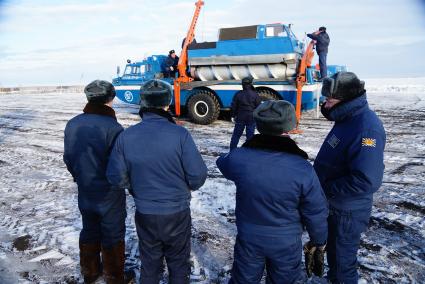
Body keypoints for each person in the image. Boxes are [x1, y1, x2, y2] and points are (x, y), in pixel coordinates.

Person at [106, 79, 208, 283]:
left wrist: (135, 188)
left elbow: (115, 175)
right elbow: (197, 176)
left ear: (143, 103)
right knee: (178, 264)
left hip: (146, 212)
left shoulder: (127, 136)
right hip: (177, 212)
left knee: (150, 264)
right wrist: (184, 188)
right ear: (167, 103)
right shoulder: (180, 134)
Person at [217, 100, 329, 283]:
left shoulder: (239, 158)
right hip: (286, 242)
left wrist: (246, 149)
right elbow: (315, 210)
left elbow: (222, 162)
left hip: (249, 238)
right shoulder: (303, 168)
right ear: (290, 127)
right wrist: (319, 240)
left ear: (259, 125)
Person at [314, 71, 386, 284]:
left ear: (346, 100)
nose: (325, 105)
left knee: (343, 261)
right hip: (335, 204)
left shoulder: (366, 128)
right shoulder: (347, 118)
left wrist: (326, 187)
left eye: (330, 100)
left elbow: (367, 180)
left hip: (346, 211)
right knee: (335, 257)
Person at [63, 80, 126, 283]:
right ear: (111, 98)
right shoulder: (114, 127)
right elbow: (119, 165)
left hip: (85, 188)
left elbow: (69, 157)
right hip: (109, 192)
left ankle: (90, 272)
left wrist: (79, 177)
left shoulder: (72, 124)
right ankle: (114, 276)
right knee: (112, 232)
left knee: (89, 229)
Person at [229, 76, 262, 150]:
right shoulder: (255, 94)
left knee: (236, 135)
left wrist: (232, 116)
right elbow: (259, 107)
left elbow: (233, 106)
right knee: (250, 137)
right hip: (251, 117)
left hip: (240, 117)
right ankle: (248, 152)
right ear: (250, 84)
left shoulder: (238, 94)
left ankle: (232, 151)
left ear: (243, 84)